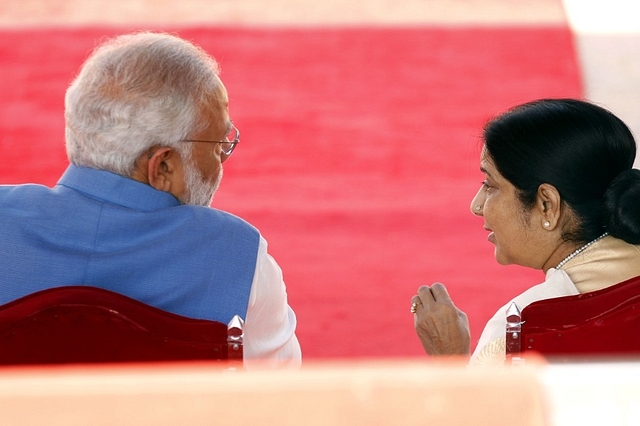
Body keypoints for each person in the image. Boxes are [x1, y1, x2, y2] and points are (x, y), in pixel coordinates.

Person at [0, 31, 301, 369]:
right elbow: (278, 394)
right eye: (218, 146)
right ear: (163, 166)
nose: (223, 159)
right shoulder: (240, 254)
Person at [410, 98, 640, 364]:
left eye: (490, 184)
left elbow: (486, 407)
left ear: (547, 205)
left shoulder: (517, 333)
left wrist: (449, 359)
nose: (476, 205)